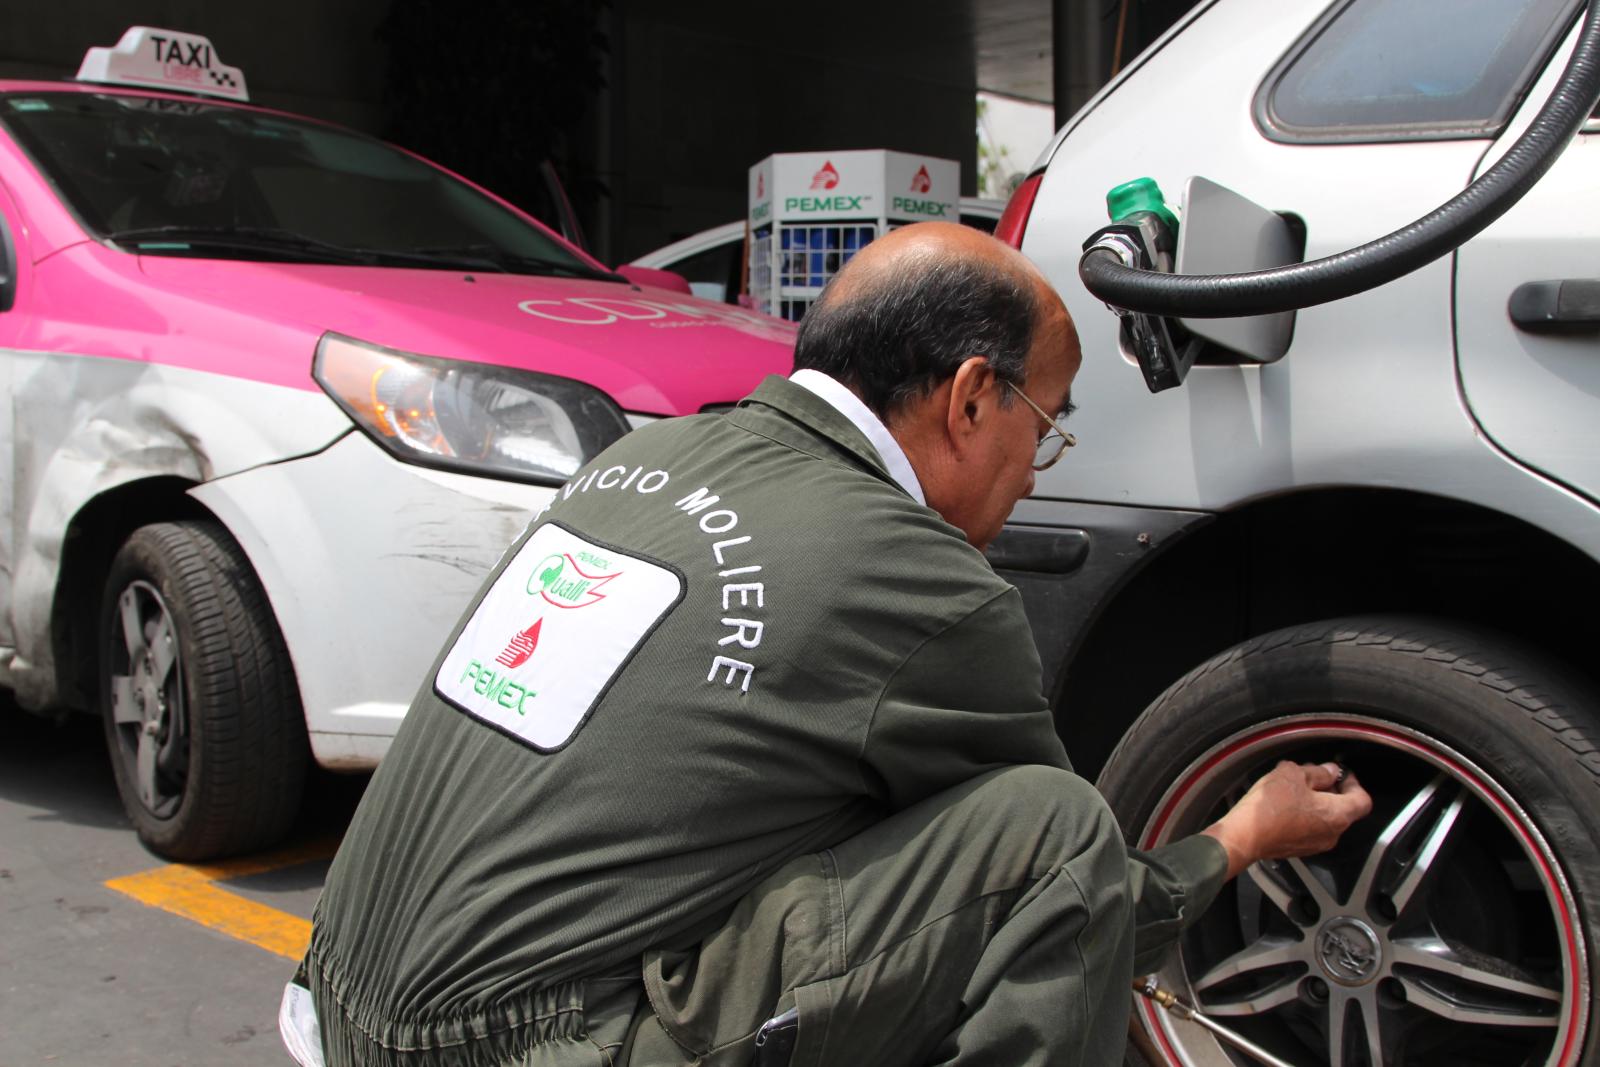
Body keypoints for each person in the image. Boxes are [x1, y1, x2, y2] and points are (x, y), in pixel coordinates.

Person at [291, 222, 1370, 1067]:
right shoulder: (921, 579)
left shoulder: (644, 456)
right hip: (519, 1046)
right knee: (1053, 829)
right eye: (1044, 427)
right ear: (971, 398)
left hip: (341, 999)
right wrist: (1238, 835)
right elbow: (1072, 893)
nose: (1035, 469)